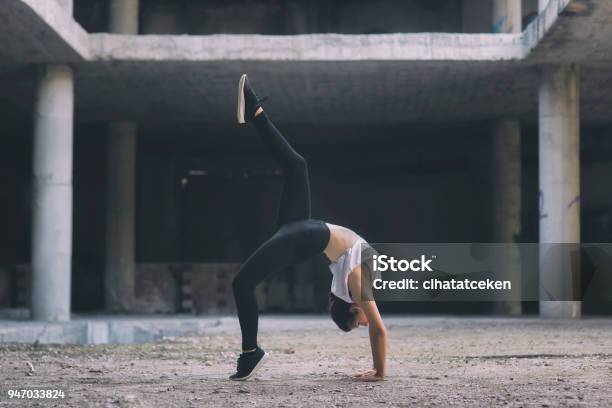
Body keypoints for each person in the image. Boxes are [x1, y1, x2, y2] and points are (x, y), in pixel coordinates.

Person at [230, 74, 387, 382]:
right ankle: (255, 113)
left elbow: (380, 330)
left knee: (241, 284)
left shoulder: (358, 282)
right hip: (304, 228)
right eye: (360, 326)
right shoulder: (360, 280)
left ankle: (251, 353)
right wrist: (379, 369)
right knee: (297, 166)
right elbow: (378, 327)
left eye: (359, 322)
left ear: (354, 306)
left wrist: (379, 372)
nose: (366, 323)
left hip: (307, 235)